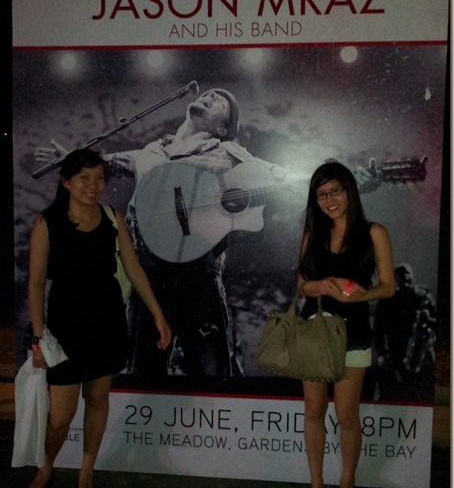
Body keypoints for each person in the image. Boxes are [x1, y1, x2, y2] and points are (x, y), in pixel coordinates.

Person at [35, 88, 383, 380]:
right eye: (210, 94)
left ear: (222, 127)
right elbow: (104, 164)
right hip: (148, 274)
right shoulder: (151, 151)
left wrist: (348, 181)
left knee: (211, 373)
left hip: (197, 275)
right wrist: (73, 163)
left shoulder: (230, 153)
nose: (210, 95)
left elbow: (288, 178)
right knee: (142, 370)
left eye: (220, 101)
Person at [23, 148, 171, 488]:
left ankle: (86, 472)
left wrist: (157, 314)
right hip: (65, 327)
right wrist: (39, 338)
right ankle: (46, 465)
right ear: (66, 182)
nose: (94, 185)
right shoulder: (48, 222)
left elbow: (132, 266)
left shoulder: (112, 217)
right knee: (60, 416)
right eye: (84, 178)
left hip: (107, 322)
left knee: (98, 398)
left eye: (100, 177)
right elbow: (36, 283)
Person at [297, 161, 395, 488]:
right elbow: (301, 285)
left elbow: (388, 287)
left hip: (354, 334)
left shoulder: (374, 232)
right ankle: (316, 485)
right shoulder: (313, 234)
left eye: (335, 191)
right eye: (321, 195)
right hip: (314, 333)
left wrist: (357, 295)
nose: (329, 200)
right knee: (313, 411)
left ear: (350, 190)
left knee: (347, 414)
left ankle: (347, 480)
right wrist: (323, 286)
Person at [371, 263, 436, 402]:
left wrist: (428, 322)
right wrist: (384, 356)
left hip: (418, 358)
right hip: (395, 356)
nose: (406, 278)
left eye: (407, 275)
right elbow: (378, 332)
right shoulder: (386, 301)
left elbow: (434, 323)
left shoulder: (422, 296)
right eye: (402, 275)